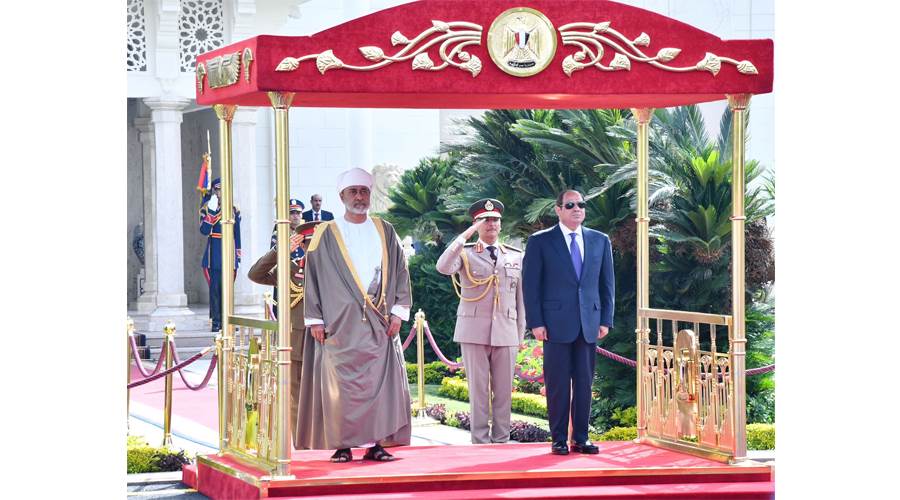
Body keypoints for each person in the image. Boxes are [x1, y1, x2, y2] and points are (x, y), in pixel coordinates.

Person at [296, 167, 413, 463]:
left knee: (378, 386)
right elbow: (313, 276)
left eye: (364, 191)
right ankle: (343, 445)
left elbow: (401, 271)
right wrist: (315, 319)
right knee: (341, 387)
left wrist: (399, 312)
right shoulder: (326, 232)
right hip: (338, 325)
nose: (359, 197)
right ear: (342, 197)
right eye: (353, 192)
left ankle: (377, 444)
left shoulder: (385, 230)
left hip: (380, 322)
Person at [522, 190, 614, 456]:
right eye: (571, 205)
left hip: (589, 323)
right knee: (558, 385)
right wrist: (536, 322)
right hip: (554, 325)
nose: (577, 209)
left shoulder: (600, 240)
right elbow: (531, 286)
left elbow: (607, 284)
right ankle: (559, 439)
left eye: (581, 204)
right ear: (558, 209)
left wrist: (605, 319)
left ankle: (581, 438)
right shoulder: (540, 241)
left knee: (584, 384)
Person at [435, 198, 525, 444]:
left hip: (506, 331)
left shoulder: (516, 256)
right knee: (478, 392)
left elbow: (521, 300)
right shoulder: (464, 253)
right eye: (484, 220)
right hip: (473, 331)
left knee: (504, 392)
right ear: (475, 224)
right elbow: (443, 267)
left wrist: (519, 335)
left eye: (495, 219)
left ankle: (501, 441)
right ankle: (480, 442)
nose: (491, 224)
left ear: (501, 224)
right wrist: (465, 236)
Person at [247, 220, 322, 449]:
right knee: (297, 398)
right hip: (298, 342)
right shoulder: (290, 269)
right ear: (302, 245)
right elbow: (255, 274)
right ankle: (303, 444)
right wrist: (280, 250)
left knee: (327, 396)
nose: (314, 248)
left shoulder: (335, 270)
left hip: (327, 343)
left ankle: (331, 442)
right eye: (309, 244)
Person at [199, 178, 242, 332]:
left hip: (229, 251)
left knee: (228, 290)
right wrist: (211, 212)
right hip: (214, 253)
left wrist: (238, 254)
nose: (220, 193)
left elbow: (237, 233)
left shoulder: (233, 209)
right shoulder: (207, 208)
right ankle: (216, 322)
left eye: (223, 189)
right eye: (217, 190)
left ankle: (228, 320)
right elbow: (204, 230)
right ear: (214, 191)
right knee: (215, 290)